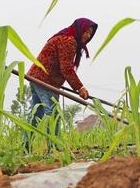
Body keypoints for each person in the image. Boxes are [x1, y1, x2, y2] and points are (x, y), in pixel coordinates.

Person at [26, 18, 97, 146]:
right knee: (53, 113)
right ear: (79, 30)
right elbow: (67, 69)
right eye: (86, 32)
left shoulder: (65, 37)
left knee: (36, 114)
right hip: (45, 80)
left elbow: (64, 68)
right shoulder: (68, 41)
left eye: (90, 33)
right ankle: (55, 147)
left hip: (36, 77)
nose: (88, 36)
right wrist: (80, 87)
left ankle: (26, 146)